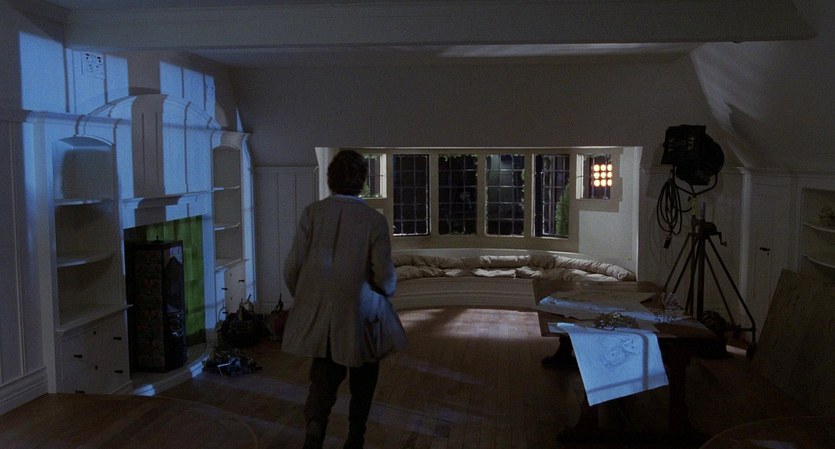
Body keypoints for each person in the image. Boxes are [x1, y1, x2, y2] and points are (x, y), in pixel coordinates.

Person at [282, 150, 405, 449]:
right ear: (362, 180)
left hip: (323, 314)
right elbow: (384, 275)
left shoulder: (312, 213)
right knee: (364, 380)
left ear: (330, 178)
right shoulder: (374, 220)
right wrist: (386, 291)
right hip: (361, 315)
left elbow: (292, 267)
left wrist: (307, 297)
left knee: (322, 380)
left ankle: (315, 427)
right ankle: (355, 437)